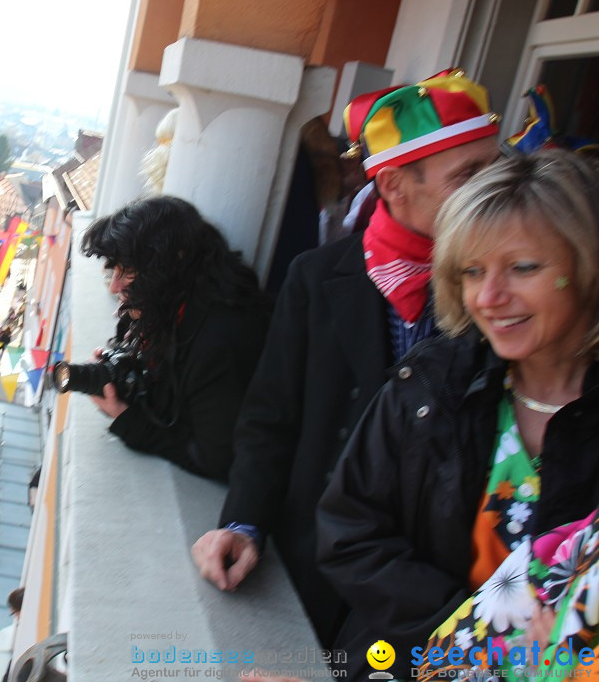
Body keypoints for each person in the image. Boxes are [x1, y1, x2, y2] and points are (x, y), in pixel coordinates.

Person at [190, 70, 503, 651]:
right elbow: (271, 417)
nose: (493, 192)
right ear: (394, 187)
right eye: (469, 176)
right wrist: (242, 522)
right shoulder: (316, 277)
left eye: (496, 168)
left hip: (428, 600)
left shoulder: (501, 296)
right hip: (309, 571)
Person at [316, 150, 599, 678]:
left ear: (586, 267)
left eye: (523, 267)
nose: (489, 297)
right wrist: (479, 635)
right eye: (472, 271)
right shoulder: (429, 382)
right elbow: (348, 531)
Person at [73, 195, 271, 480]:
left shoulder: (220, 339)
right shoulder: (167, 306)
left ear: (169, 265)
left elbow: (216, 458)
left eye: (128, 271)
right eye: (114, 270)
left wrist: (133, 424)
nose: (115, 286)